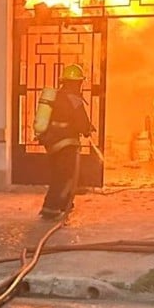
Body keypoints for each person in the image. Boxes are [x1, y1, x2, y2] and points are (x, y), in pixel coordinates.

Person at [35, 64, 93, 220]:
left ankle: (64, 203)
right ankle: (52, 208)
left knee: (58, 174)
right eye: (79, 82)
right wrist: (87, 129)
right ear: (77, 82)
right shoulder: (74, 99)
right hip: (67, 143)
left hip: (51, 142)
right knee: (66, 177)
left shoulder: (55, 97)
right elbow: (81, 122)